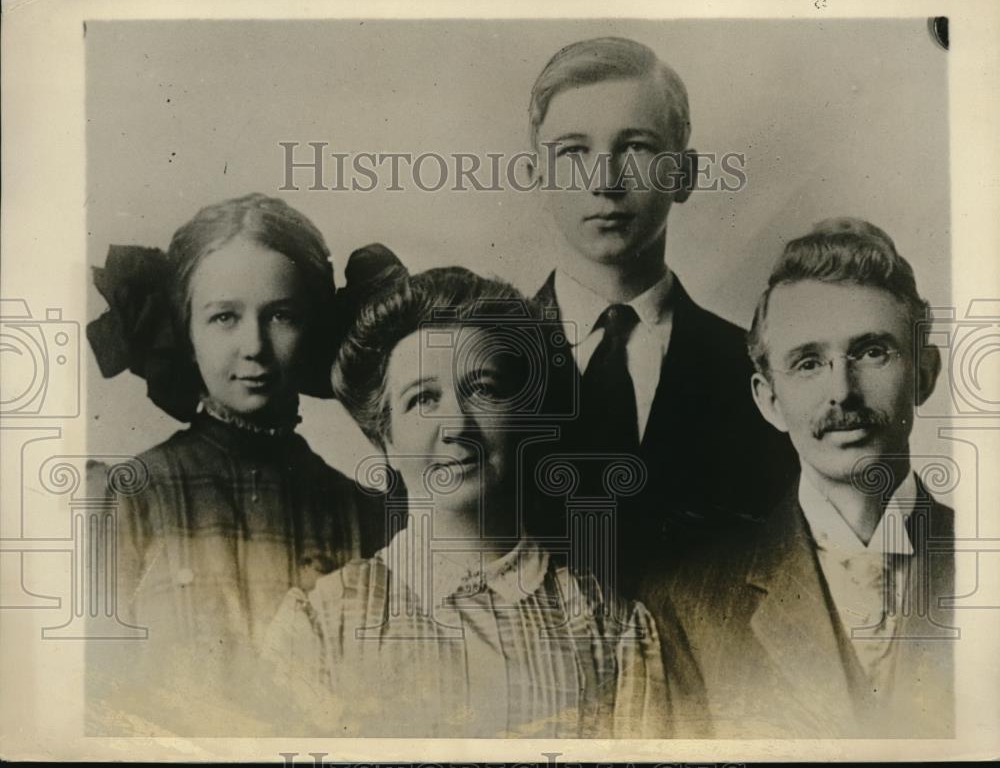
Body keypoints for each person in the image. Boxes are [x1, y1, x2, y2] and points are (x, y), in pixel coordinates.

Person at [264, 267, 707, 738]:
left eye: (484, 390)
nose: (457, 423)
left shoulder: (611, 628)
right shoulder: (321, 627)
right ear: (384, 439)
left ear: (523, 415)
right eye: (423, 400)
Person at [85, 193, 395, 735]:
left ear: (315, 326)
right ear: (185, 330)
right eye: (224, 316)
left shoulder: (360, 511)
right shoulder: (126, 498)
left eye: (281, 315)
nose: (253, 344)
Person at [640, 218, 954, 738]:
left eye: (872, 352)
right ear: (768, 400)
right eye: (809, 362)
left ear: (924, 373)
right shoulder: (687, 605)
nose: (843, 393)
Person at [526, 36, 797, 591]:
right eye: (573, 151)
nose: (605, 180)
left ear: (684, 175)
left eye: (638, 147)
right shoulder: (476, 366)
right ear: (536, 175)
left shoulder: (763, 374)